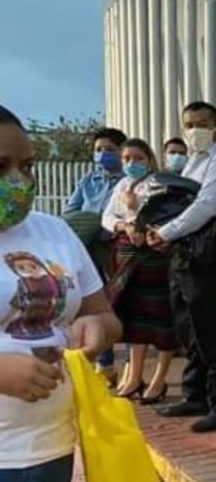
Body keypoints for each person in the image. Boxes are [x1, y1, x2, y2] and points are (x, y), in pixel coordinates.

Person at [0, 105, 122, 482]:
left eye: (25, 165)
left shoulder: (52, 232)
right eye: (0, 166)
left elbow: (101, 313)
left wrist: (99, 332)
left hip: (46, 457)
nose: (17, 181)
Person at [149, 102, 216, 433]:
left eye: (202, 123)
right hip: (183, 254)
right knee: (188, 327)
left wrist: (166, 231)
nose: (195, 130)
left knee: (210, 330)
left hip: (207, 255)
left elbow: (206, 206)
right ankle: (194, 394)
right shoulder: (192, 163)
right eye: (189, 124)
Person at [101, 139, 177, 403]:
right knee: (134, 319)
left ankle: (159, 379)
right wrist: (124, 226)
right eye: (127, 159)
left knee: (159, 317)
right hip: (125, 256)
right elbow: (107, 218)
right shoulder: (121, 185)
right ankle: (134, 376)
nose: (132, 164)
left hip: (153, 257)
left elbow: (161, 218)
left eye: (138, 158)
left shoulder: (160, 184)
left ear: (149, 159)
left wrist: (133, 211)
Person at [63, 126, 127, 381]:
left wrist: (104, 225)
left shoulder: (127, 182)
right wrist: (89, 222)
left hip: (113, 247)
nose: (103, 154)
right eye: (98, 150)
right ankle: (105, 363)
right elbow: (71, 210)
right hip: (86, 247)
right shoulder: (88, 180)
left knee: (117, 303)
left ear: (121, 151)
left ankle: (131, 364)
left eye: (109, 150)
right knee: (91, 303)